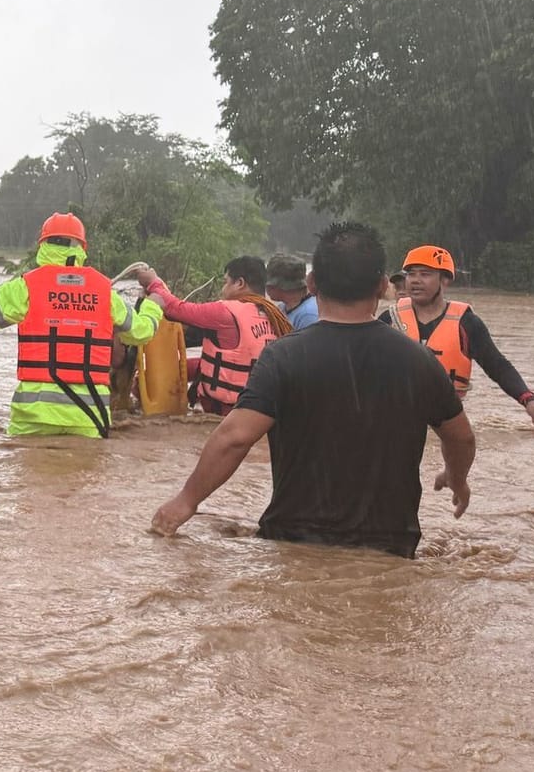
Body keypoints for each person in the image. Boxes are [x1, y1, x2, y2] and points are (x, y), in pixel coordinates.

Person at [150, 222, 477, 558]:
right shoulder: (419, 361)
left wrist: (185, 501)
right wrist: (457, 477)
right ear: (383, 286)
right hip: (390, 549)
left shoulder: (282, 357)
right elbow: (461, 437)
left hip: (294, 545)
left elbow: (234, 437)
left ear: (312, 283)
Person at [0, 211, 158, 437]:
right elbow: (142, 332)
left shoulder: (26, 287)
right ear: (83, 248)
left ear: (42, 244)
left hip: (33, 418)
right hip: (89, 419)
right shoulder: (104, 292)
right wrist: (154, 303)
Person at [382, 245, 534, 432]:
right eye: (411, 274)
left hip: (445, 420)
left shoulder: (467, 323)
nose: (416, 281)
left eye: (425, 274)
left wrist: (528, 399)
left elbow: (497, 366)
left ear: (445, 280)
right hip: (396, 418)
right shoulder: (390, 319)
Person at [132, 256, 294, 417]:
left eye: (225, 282)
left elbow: (175, 308)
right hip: (263, 410)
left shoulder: (225, 313)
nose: (222, 290)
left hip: (226, 413)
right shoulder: (276, 316)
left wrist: (154, 282)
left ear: (240, 283)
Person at [265, 253, 320, 331]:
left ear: (283, 287)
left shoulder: (308, 316)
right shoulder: (282, 307)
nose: (267, 288)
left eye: (270, 285)